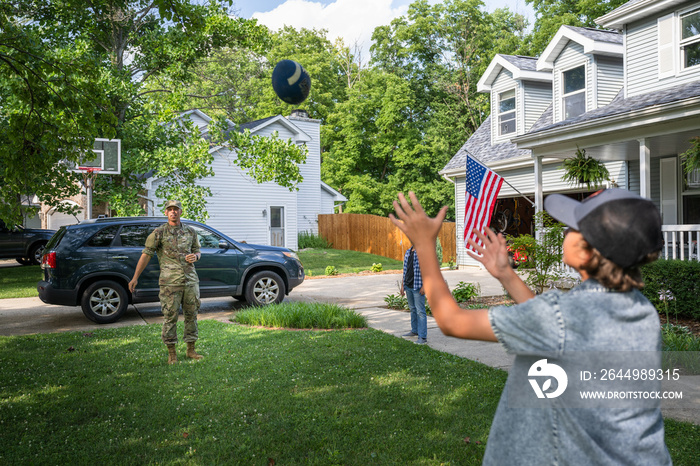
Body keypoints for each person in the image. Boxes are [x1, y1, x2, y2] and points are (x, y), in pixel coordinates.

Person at [389, 189, 671, 465]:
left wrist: (424, 245)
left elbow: (453, 321)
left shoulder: (564, 317)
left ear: (587, 253)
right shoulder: (640, 311)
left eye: (570, 227)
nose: (563, 232)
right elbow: (553, 329)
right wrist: (506, 274)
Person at [129, 200, 203, 364]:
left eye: (176, 209)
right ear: (166, 213)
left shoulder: (190, 232)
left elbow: (197, 251)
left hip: (190, 281)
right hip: (170, 283)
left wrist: (196, 257)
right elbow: (146, 254)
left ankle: (191, 350)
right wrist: (135, 277)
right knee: (170, 317)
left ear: (180, 212)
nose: (173, 212)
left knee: (192, 316)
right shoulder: (159, 233)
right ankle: (172, 354)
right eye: (170, 209)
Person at [400, 245, 427, 344]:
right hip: (408, 285)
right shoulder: (408, 252)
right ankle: (414, 330)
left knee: (420, 311)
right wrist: (403, 285)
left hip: (418, 286)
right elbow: (405, 270)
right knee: (412, 309)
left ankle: (422, 337)